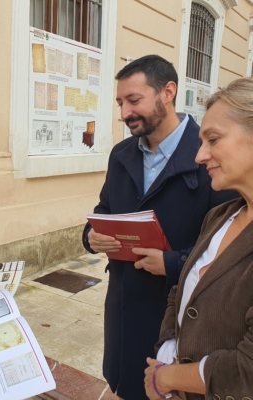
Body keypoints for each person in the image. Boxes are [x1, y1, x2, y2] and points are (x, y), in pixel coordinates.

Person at [82, 55, 237, 399]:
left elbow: (227, 252)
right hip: (122, 307)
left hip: (177, 319)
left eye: (134, 100)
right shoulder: (121, 154)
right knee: (125, 383)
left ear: (168, 92)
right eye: (121, 103)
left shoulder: (213, 157)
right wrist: (90, 236)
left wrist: (170, 263)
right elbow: (104, 210)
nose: (124, 113)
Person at [144, 77, 253, 399]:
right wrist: (167, 349)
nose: (199, 156)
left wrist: (166, 378)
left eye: (214, 139)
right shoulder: (221, 217)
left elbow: (247, 371)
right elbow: (181, 292)